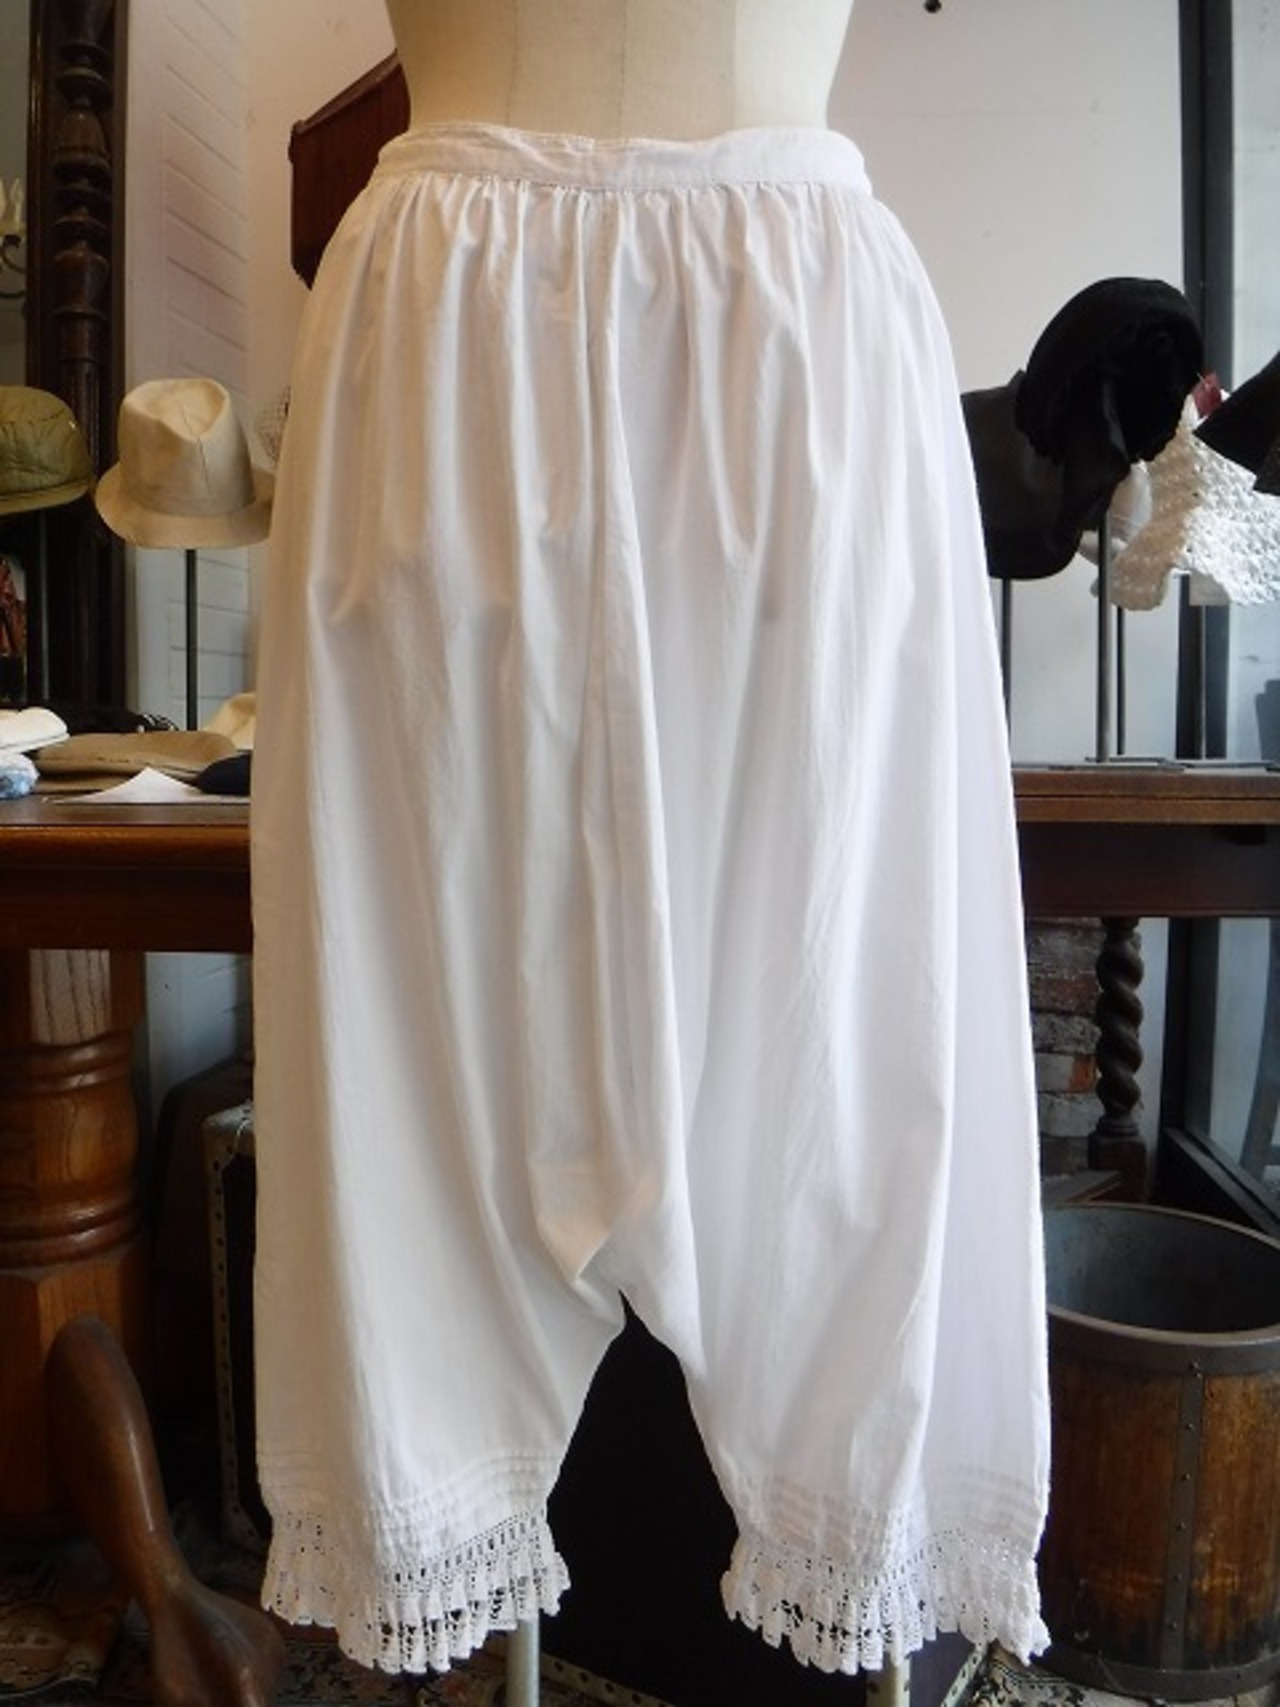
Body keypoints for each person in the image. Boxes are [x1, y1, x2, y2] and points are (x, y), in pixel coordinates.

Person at [250, 0, 1051, 1682]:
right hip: (447, 330)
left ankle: (860, 1536)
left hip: (790, 333)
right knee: (408, 1044)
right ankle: (447, 1524)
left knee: (846, 1055)